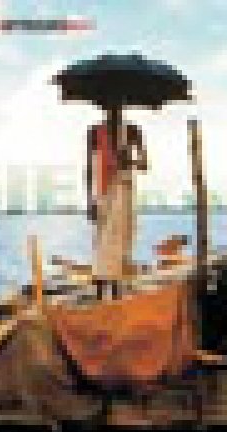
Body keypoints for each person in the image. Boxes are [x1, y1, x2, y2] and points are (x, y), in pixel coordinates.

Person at [86, 110, 148, 295]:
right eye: (109, 105)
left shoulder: (132, 130)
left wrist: (130, 161)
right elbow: (89, 167)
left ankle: (116, 290)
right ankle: (99, 291)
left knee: (121, 238)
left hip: (124, 187)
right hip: (103, 190)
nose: (113, 109)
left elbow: (145, 164)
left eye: (117, 104)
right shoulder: (95, 131)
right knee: (102, 240)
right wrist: (89, 200)